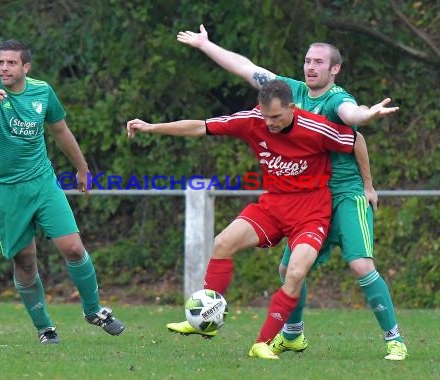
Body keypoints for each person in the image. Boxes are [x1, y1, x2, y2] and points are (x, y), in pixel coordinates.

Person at [175, 25, 407, 361]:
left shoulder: (338, 100)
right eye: (308, 60)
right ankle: (293, 336)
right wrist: (206, 45)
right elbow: (244, 67)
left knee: (359, 265)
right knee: (288, 272)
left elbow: (353, 124)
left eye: (319, 62)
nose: (311, 66)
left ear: (334, 69)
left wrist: (367, 122)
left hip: (345, 193)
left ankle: (394, 339)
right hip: (308, 197)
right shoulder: (288, 92)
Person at [128, 79, 357, 359]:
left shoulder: (315, 127)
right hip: (273, 205)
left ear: (292, 108)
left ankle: (262, 342)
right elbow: (201, 126)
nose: (269, 123)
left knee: (295, 273)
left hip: (311, 213)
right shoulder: (251, 120)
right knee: (223, 242)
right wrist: (152, 127)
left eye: (276, 117)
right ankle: (206, 320)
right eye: (265, 116)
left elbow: (357, 141)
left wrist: (367, 185)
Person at [0, 39, 124, 344]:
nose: (4, 68)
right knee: (25, 261)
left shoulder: (42, 92)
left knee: (73, 248)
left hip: (43, 182)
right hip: (4, 189)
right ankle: (45, 329)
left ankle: (93, 311)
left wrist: (82, 169)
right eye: (1, 62)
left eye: (11, 63)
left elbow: (60, 130)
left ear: (25, 67)